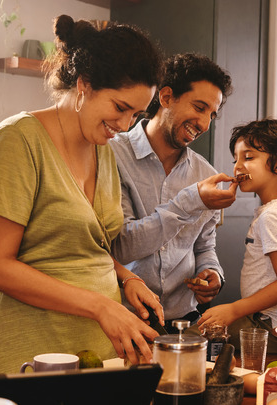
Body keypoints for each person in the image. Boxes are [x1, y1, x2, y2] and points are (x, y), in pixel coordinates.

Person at [0, 15, 165, 374]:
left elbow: (80, 245)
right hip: (29, 349)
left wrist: (126, 277)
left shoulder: (103, 149)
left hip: (95, 350)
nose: (125, 126)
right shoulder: (17, 140)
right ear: (84, 84)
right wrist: (101, 306)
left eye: (136, 115)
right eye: (120, 107)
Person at [109, 53, 235, 331]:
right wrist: (189, 201)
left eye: (211, 115)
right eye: (199, 107)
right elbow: (122, 247)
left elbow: (204, 246)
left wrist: (213, 273)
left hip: (184, 323)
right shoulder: (111, 155)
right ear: (166, 97)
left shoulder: (206, 174)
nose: (204, 124)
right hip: (124, 321)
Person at [198, 117, 277, 341]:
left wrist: (233, 310)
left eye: (249, 157)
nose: (237, 166)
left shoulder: (272, 216)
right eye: (235, 159)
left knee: (195, 337)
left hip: (274, 325)